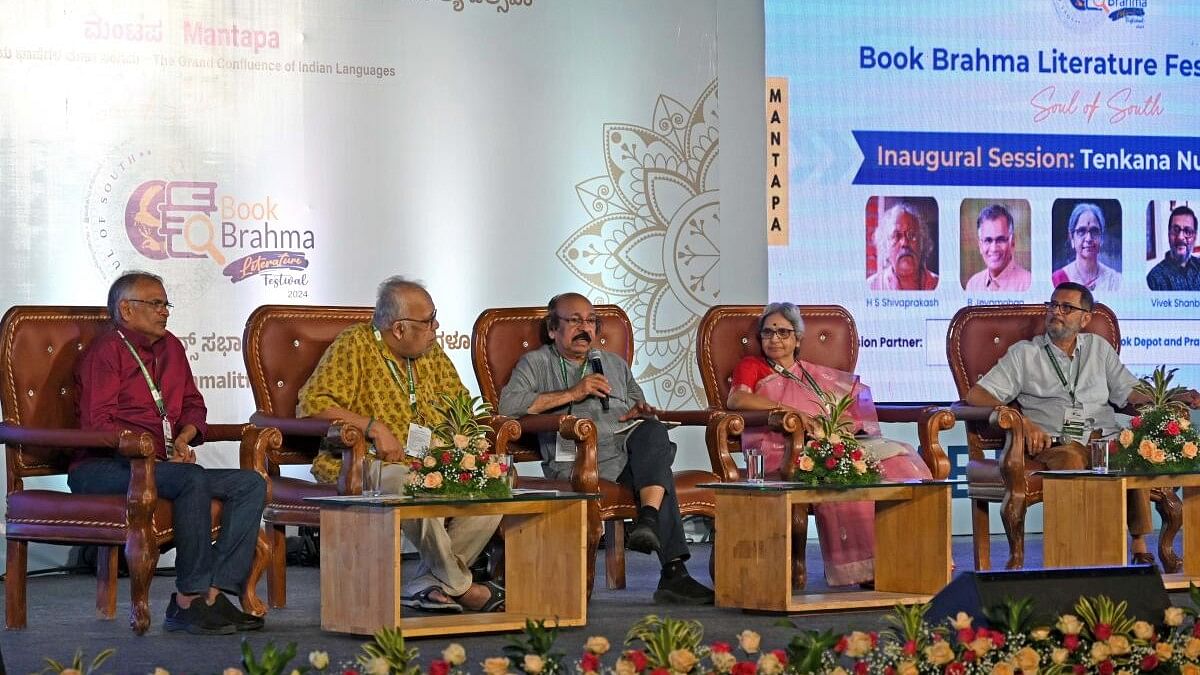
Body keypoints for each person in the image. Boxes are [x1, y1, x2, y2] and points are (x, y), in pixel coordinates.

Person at [71, 271, 266, 635]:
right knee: (191, 478)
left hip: (160, 464)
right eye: (155, 304)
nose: (164, 311)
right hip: (103, 466)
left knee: (250, 484)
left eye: (165, 304)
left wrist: (184, 437)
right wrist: (146, 447)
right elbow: (97, 425)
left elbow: (193, 404)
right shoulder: (107, 352)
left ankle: (213, 594)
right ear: (126, 309)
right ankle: (186, 599)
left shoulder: (171, 347)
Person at [297, 276, 503, 614]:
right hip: (365, 464)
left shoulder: (431, 352)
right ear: (398, 329)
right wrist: (371, 426)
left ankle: (431, 584)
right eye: (428, 321)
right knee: (410, 485)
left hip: (431, 463)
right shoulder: (355, 345)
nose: (436, 327)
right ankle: (464, 587)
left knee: (491, 485)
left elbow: (461, 404)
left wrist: (468, 444)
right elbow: (313, 405)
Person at [497, 293, 714, 605]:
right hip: (580, 459)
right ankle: (672, 572)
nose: (585, 328)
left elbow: (638, 402)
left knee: (652, 430)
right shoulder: (535, 363)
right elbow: (509, 405)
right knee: (657, 470)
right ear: (552, 329)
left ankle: (648, 521)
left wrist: (642, 410)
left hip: (627, 452)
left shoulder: (612, 363)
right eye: (574, 321)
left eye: (590, 321)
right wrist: (574, 391)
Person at [965, 282, 1200, 566]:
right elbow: (976, 395)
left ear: (1085, 318)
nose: (1056, 312)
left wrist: (1174, 396)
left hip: (1104, 437)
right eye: (1052, 305)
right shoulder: (1024, 354)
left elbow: (1129, 393)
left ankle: (1139, 547)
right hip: (1056, 442)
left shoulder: (1098, 349)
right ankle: (1074, 550)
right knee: (1072, 458)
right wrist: (1022, 421)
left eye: (1067, 307)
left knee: (1132, 451)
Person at [725, 302, 933, 586]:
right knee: (840, 472)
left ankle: (911, 557)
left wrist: (842, 428)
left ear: (798, 339)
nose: (775, 339)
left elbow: (844, 413)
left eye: (783, 332)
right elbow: (737, 400)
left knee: (901, 460)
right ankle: (866, 570)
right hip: (782, 447)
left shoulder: (812, 375)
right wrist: (789, 411)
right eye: (768, 332)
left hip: (825, 439)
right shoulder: (753, 366)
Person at [1051, 202, 1120, 292]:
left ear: (1102, 237)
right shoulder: (1058, 279)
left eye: (1094, 231)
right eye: (1081, 231)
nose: (1088, 238)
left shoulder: (1114, 280)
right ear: (1071, 237)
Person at [964, 203, 1032, 292]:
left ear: (1012, 242)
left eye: (1000, 240)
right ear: (980, 246)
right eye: (988, 240)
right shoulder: (973, 285)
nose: (994, 248)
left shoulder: (1028, 284)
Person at [1147, 205, 1200, 291]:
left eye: (1187, 231)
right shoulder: (1153, 280)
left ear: (1194, 237)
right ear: (1168, 235)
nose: (1180, 237)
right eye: (1175, 230)